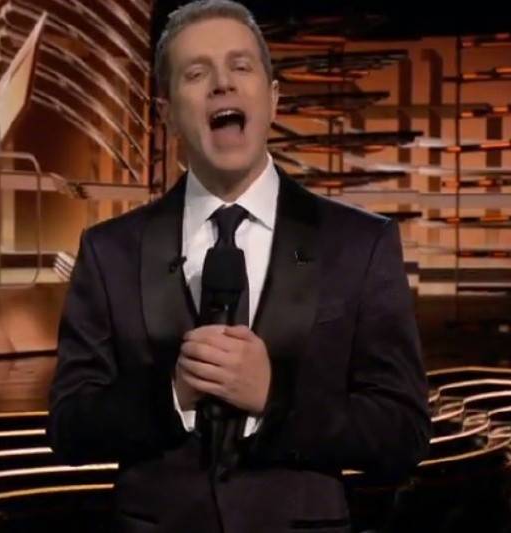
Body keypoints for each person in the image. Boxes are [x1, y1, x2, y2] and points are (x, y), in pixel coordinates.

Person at [46, 1, 431, 531]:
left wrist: (274, 399)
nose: (222, 83)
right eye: (196, 73)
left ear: (273, 99)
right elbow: (69, 427)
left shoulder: (359, 244)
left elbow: (403, 433)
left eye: (240, 66)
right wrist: (172, 395)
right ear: (165, 113)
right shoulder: (109, 251)